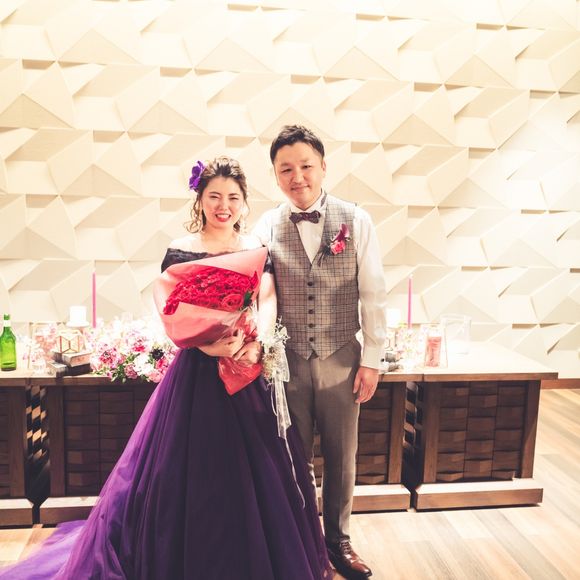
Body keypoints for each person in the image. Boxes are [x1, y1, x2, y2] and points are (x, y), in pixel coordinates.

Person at [0, 156, 332, 580]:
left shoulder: (255, 247)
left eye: (232, 197)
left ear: (244, 201)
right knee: (188, 466)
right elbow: (173, 311)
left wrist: (258, 343)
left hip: (246, 371)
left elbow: (266, 300)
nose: (223, 206)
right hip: (197, 375)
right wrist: (207, 344)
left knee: (257, 473)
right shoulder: (181, 249)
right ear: (200, 199)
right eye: (214, 196)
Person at [253, 125, 387, 580]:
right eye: (285, 169)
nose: (298, 177)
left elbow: (374, 293)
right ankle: (303, 544)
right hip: (286, 362)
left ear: (324, 167)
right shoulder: (265, 227)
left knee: (342, 455)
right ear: (276, 176)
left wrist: (372, 359)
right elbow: (257, 295)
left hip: (342, 356)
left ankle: (338, 541)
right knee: (294, 458)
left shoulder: (357, 220)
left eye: (306, 166)